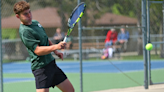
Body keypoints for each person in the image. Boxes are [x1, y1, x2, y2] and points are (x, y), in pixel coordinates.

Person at [13, 1, 74, 92]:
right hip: (41, 69)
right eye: (25, 14)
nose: (29, 15)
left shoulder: (36, 23)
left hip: (51, 64)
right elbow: (37, 50)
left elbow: (45, 39)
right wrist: (56, 47)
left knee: (70, 90)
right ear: (18, 16)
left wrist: (56, 52)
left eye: (29, 12)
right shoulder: (25, 31)